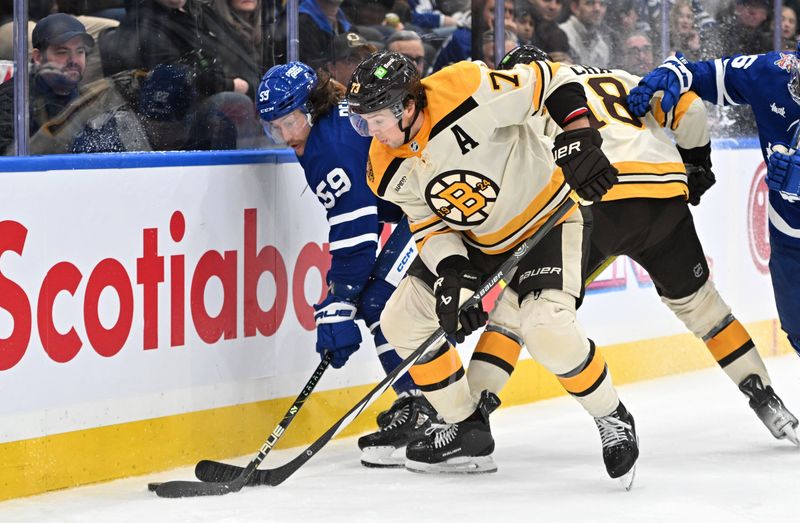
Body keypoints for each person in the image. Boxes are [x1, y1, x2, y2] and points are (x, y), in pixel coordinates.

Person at [480, 44, 799, 446]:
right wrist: (697, 163)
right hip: (664, 199)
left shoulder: (526, 91)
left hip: (594, 205)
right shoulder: (624, 76)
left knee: (517, 308)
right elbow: (693, 112)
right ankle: (765, 397)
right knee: (705, 309)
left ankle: (473, 416)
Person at [346, 51, 637, 486]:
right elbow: (426, 223)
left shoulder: (463, 88)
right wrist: (451, 273)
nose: (370, 131)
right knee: (400, 319)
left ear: (406, 107)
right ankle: (467, 430)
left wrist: (579, 135)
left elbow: (549, 79)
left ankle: (611, 415)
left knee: (547, 330)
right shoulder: (383, 166)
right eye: (360, 121)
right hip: (475, 242)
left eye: (375, 119)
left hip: (547, 220)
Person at [256, 61, 436, 468]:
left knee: (378, 302)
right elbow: (364, 218)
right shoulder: (330, 126)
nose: (285, 137)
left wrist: (341, 297)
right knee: (377, 300)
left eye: (290, 122)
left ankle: (424, 406)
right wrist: (341, 293)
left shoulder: (329, 145)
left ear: (311, 107)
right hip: (422, 203)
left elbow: (357, 233)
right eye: (273, 128)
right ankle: (423, 399)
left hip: (434, 209)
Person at [627, 43, 800, 369]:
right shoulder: (772, 73)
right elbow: (702, 74)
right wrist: (672, 76)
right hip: (788, 237)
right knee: (798, 330)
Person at [0, 13, 94, 154]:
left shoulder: (90, 100)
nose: (74, 60)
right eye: (62, 52)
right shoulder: (12, 100)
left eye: (80, 52)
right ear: (38, 57)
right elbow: (8, 162)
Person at [558, 0, 611, 67]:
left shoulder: (603, 46)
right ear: (574, 7)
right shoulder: (558, 35)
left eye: (602, 4)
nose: (597, 9)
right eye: (590, 3)